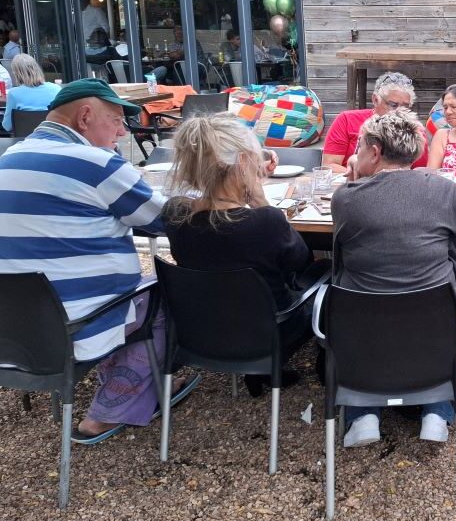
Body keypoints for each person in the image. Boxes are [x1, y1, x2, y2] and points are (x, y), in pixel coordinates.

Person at [0, 78, 196, 442]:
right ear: (85, 116)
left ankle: (130, 378)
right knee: (170, 295)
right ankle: (109, 409)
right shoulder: (95, 162)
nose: (122, 132)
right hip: (75, 324)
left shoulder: (8, 157)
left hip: (14, 329)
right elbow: (166, 220)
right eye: (117, 121)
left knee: (129, 294)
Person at [331, 110, 456, 447]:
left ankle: (363, 415)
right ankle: (437, 410)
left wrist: (353, 179)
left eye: (359, 148)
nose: (355, 155)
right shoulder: (440, 188)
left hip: (361, 316)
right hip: (434, 311)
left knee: (365, 321)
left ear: (375, 152)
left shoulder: (346, 198)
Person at [163, 114, 321, 397]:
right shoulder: (265, 221)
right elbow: (301, 262)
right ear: (242, 163)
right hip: (273, 332)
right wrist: (260, 201)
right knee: (326, 273)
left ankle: (256, 371)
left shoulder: (175, 213)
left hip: (200, 332)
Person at [321, 71, 427, 172]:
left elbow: (419, 171)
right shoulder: (347, 120)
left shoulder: (413, 130)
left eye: (405, 107)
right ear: (375, 100)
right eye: (393, 105)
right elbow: (329, 166)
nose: (399, 111)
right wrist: (361, 178)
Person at [2, 54, 61, 133]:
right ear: (37, 68)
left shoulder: (13, 94)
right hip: (52, 138)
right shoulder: (56, 88)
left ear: (16, 73)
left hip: (24, 140)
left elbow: (7, 126)